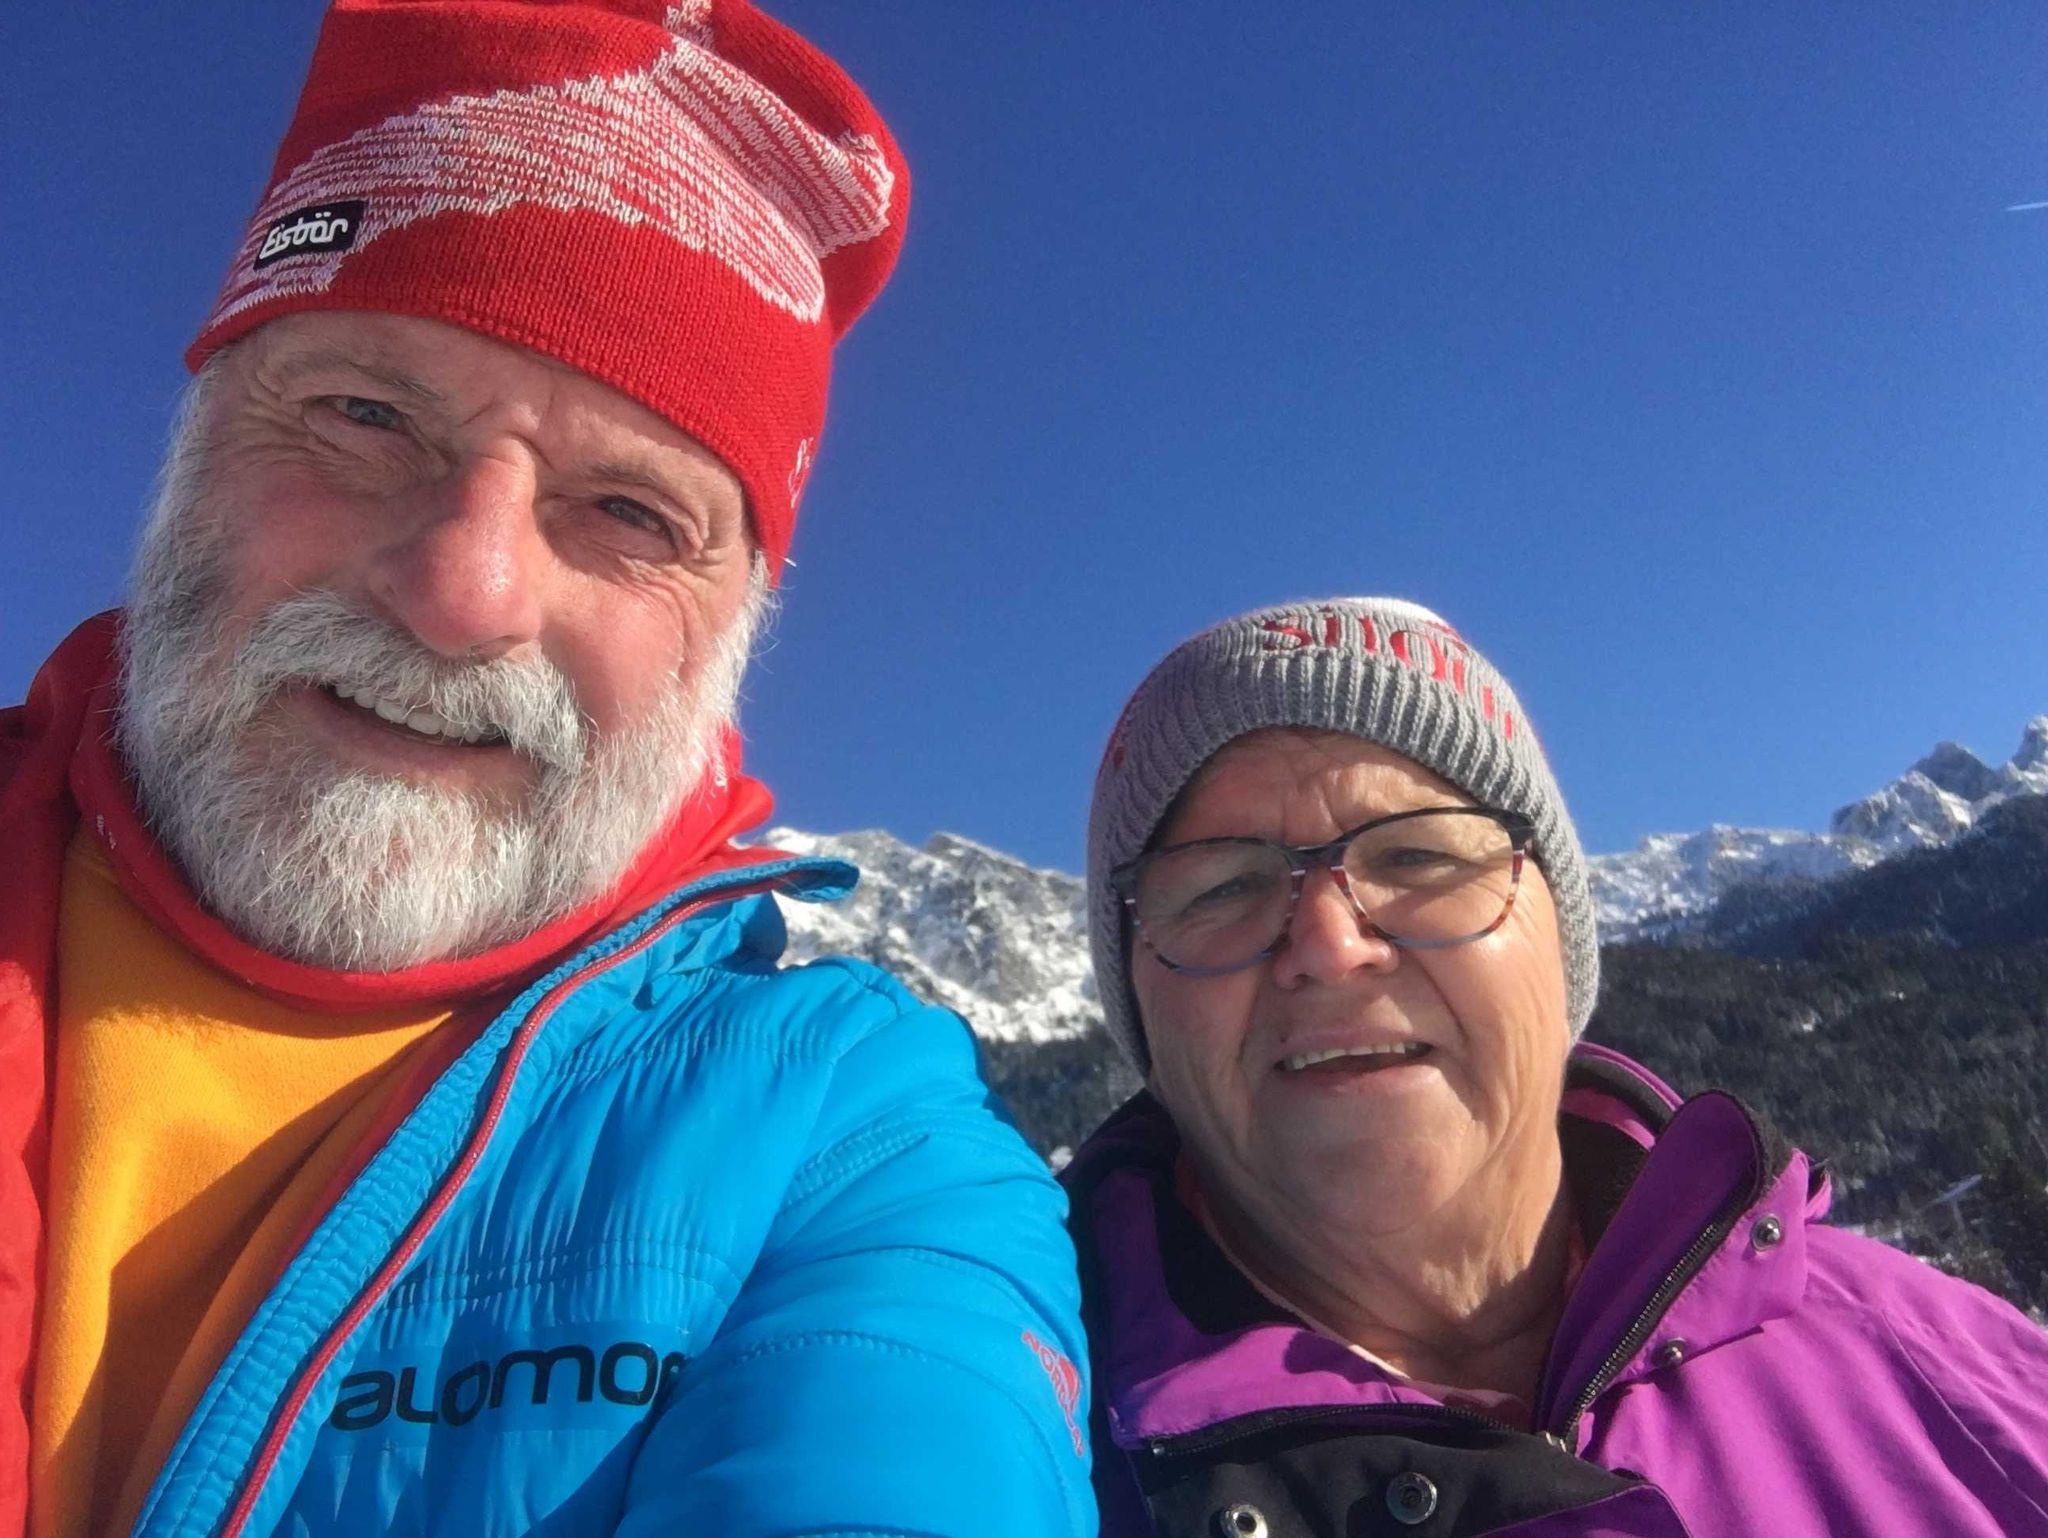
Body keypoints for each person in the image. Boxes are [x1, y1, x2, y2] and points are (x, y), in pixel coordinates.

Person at [0, 4, 1094, 1534]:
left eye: (631, 513)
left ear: (736, 629)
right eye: (364, 416)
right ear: (186, 454)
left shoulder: (838, 1140)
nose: (464, 589)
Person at [1066, 596, 2048, 1537]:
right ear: (1141, 1013)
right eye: (1220, 886)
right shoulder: (1023, 1459)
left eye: (1415, 857)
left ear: (1561, 939)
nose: (1329, 945)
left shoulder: (1956, 1371)